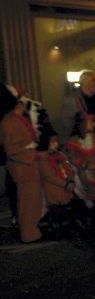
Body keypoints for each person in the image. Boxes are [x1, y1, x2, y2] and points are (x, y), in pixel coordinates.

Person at [1, 85, 42, 242]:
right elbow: (11, 149)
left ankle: (33, 230)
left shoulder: (22, 119)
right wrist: (31, 154)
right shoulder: (9, 121)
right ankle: (28, 233)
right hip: (22, 167)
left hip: (29, 166)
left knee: (33, 200)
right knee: (27, 202)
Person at [37, 133, 77, 237]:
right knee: (56, 209)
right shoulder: (42, 157)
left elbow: (69, 169)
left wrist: (71, 181)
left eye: (56, 141)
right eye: (53, 142)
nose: (56, 144)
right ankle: (55, 228)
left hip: (65, 187)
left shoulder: (60, 155)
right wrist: (66, 184)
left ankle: (65, 227)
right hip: (53, 189)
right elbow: (48, 176)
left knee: (67, 209)